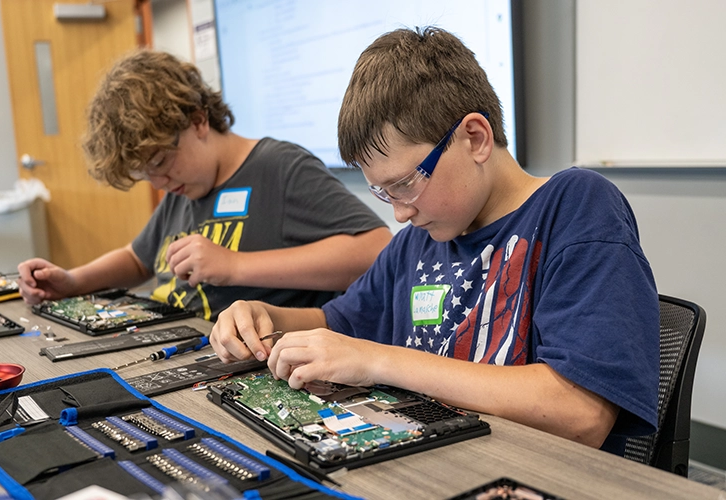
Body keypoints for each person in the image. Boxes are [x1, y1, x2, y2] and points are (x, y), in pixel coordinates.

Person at [210, 27, 660, 455]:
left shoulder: (576, 206)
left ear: (475, 137)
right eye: (382, 192)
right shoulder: (416, 243)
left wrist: (378, 361)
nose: (399, 212)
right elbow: (339, 324)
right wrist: (266, 317)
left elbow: (580, 413)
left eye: (406, 183)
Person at [17, 50, 392, 320]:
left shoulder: (280, 168)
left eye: (162, 162)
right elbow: (137, 258)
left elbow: (376, 251)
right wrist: (72, 281)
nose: (160, 182)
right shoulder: (183, 187)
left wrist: (235, 267)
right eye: (146, 175)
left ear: (198, 121)